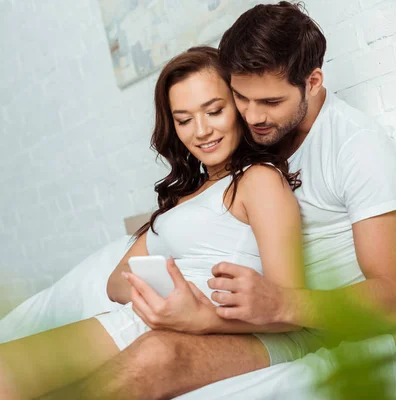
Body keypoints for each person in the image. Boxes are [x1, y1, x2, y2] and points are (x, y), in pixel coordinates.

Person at [40, 2, 396, 399]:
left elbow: (393, 299)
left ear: (313, 81)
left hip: (291, 326)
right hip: (229, 309)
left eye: (270, 102)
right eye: (240, 98)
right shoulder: (252, 143)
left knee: (151, 360)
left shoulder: (357, 149)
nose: (252, 117)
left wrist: (279, 303)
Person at [0, 46, 308, 399]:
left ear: (238, 105)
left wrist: (197, 314)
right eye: (184, 119)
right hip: (158, 313)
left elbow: (289, 305)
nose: (202, 131)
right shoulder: (182, 199)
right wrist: (165, 298)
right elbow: (117, 281)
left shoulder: (258, 180)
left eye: (214, 111)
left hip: (224, 328)